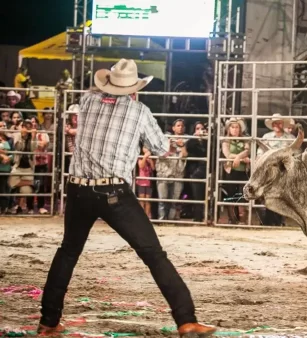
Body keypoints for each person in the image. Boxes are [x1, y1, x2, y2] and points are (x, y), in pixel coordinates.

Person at [37, 59, 216, 337]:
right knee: (154, 255)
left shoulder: (88, 101)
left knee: (68, 252)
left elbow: (94, 100)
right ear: (134, 89)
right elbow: (161, 146)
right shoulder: (139, 110)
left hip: (78, 189)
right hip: (114, 193)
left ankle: (48, 322)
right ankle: (186, 320)